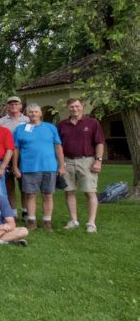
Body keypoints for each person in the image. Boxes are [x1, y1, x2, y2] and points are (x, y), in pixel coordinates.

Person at [13, 103, 65, 231]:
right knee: (30, 195)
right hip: (29, 167)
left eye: (36, 112)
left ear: (40, 113)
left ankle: (47, 221)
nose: (33, 114)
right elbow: (15, 149)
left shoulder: (50, 127)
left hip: (49, 167)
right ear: (27, 114)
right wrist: (15, 166)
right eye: (30, 112)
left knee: (48, 195)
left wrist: (62, 165)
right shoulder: (20, 129)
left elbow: (58, 147)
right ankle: (31, 221)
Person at [57, 98, 105, 232]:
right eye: (71, 106)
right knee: (69, 191)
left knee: (90, 192)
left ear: (82, 107)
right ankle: (73, 220)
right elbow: (58, 145)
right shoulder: (62, 125)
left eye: (77, 106)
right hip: (67, 161)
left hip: (87, 161)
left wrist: (98, 160)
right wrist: (60, 164)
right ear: (68, 108)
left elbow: (100, 142)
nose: (75, 109)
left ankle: (91, 223)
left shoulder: (92, 122)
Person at [0, 96, 29, 212]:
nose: (13, 106)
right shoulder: (1, 122)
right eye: (11, 104)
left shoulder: (28, 120)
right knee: (9, 185)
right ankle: (13, 212)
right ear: (7, 106)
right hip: (7, 156)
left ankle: (26, 211)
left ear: (21, 106)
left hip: (24, 156)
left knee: (24, 186)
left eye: (16, 104)